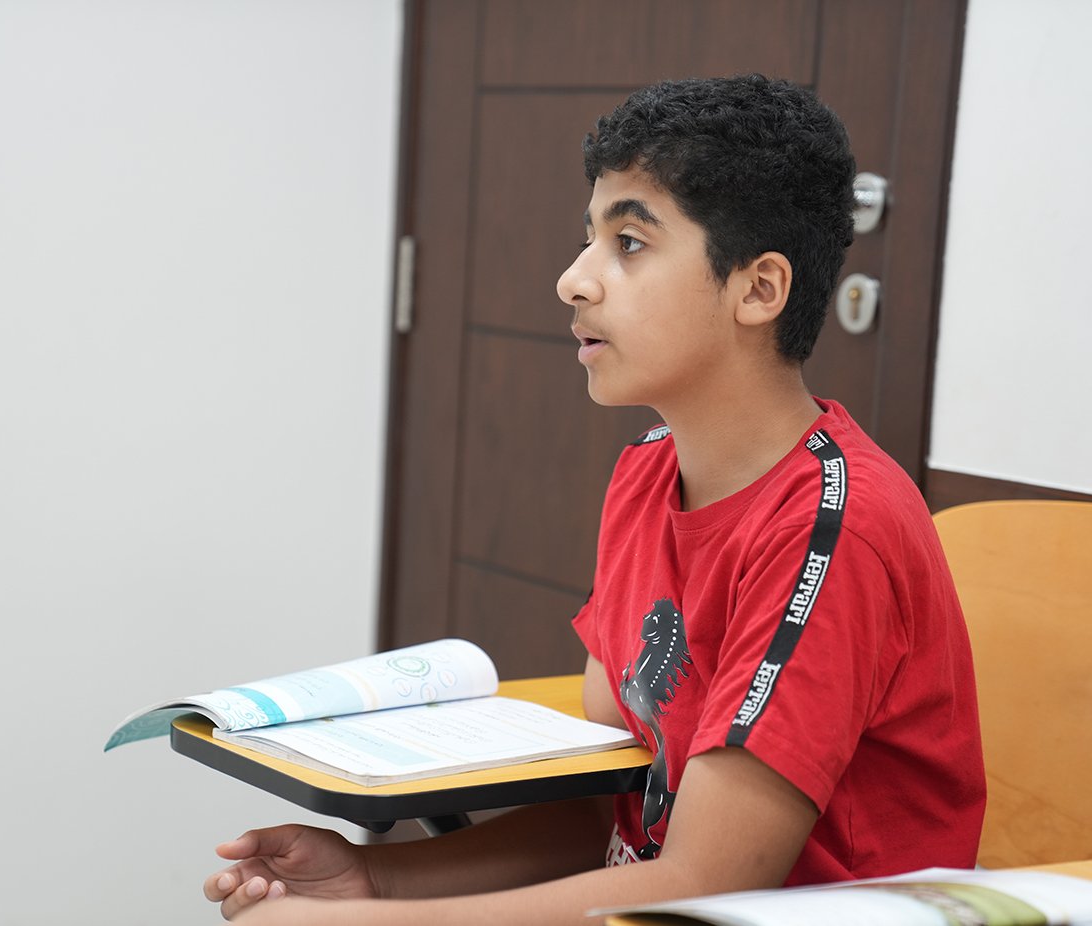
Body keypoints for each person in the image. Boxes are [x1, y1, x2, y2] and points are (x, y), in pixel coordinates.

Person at [202, 74, 985, 926]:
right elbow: (622, 817)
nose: (573, 281)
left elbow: (703, 881)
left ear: (759, 290)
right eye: (589, 239)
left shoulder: (831, 528)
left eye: (629, 243)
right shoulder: (648, 470)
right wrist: (375, 881)